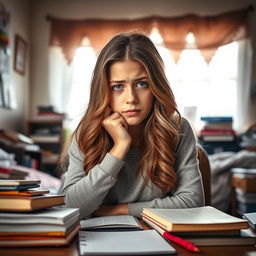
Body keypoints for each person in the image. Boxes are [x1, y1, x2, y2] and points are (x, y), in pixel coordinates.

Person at [60, 32, 204, 220]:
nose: (131, 99)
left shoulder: (177, 129)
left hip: (159, 239)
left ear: (155, 86)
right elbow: (71, 206)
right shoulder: (87, 133)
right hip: (98, 241)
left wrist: (117, 210)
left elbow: (192, 202)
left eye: (142, 84)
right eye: (118, 87)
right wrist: (119, 148)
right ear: (104, 91)